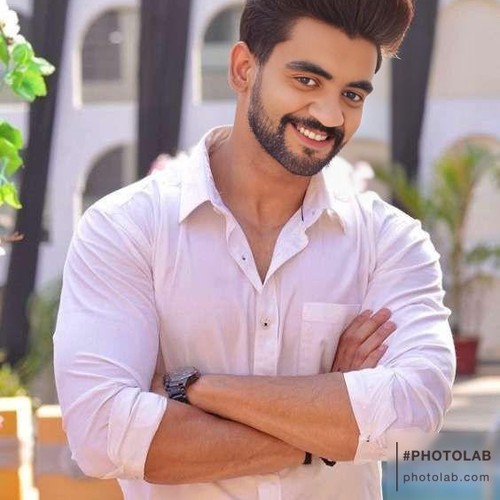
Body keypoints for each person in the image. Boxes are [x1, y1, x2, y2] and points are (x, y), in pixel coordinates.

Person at [53, 1, 455, 498]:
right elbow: (101, 436)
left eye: (351, 95)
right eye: (306, 81)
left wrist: (192, 388)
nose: (330, 115)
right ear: (243, 68)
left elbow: (412, 418)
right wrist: (324, 427)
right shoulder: (126, 229)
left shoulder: (390, 244)